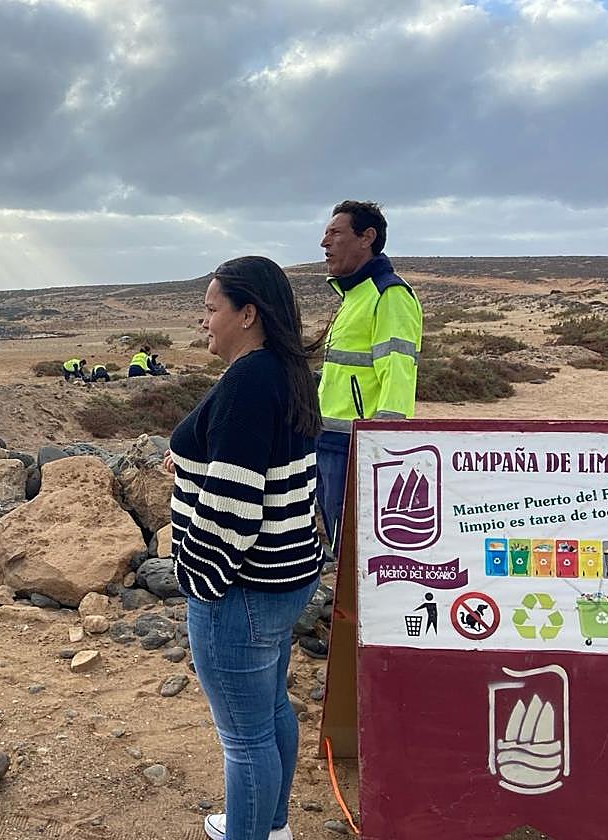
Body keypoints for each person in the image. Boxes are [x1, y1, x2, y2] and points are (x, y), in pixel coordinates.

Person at [166, 256, 322, 840]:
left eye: (211, 309)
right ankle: (271, 826)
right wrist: (189, 462)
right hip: (284, 576)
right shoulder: (285, 370)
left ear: (247, 313)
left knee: (245, 735)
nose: (204, 321)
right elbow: (267, 467)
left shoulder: (248, 384)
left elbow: (235, 506)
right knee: (271, 711)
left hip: (241, 588)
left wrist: (199, 582)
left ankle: (251, 832)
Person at [316, 200, 422, 553]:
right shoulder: (354, 295)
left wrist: (384, 440)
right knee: (340, 536)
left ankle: (359, 609)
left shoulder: (388, 294)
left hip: (359, 445)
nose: (324, 242)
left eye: (335, 233)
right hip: (330, 438)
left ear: (367, 238)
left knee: (359, 543)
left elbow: (398, 369)